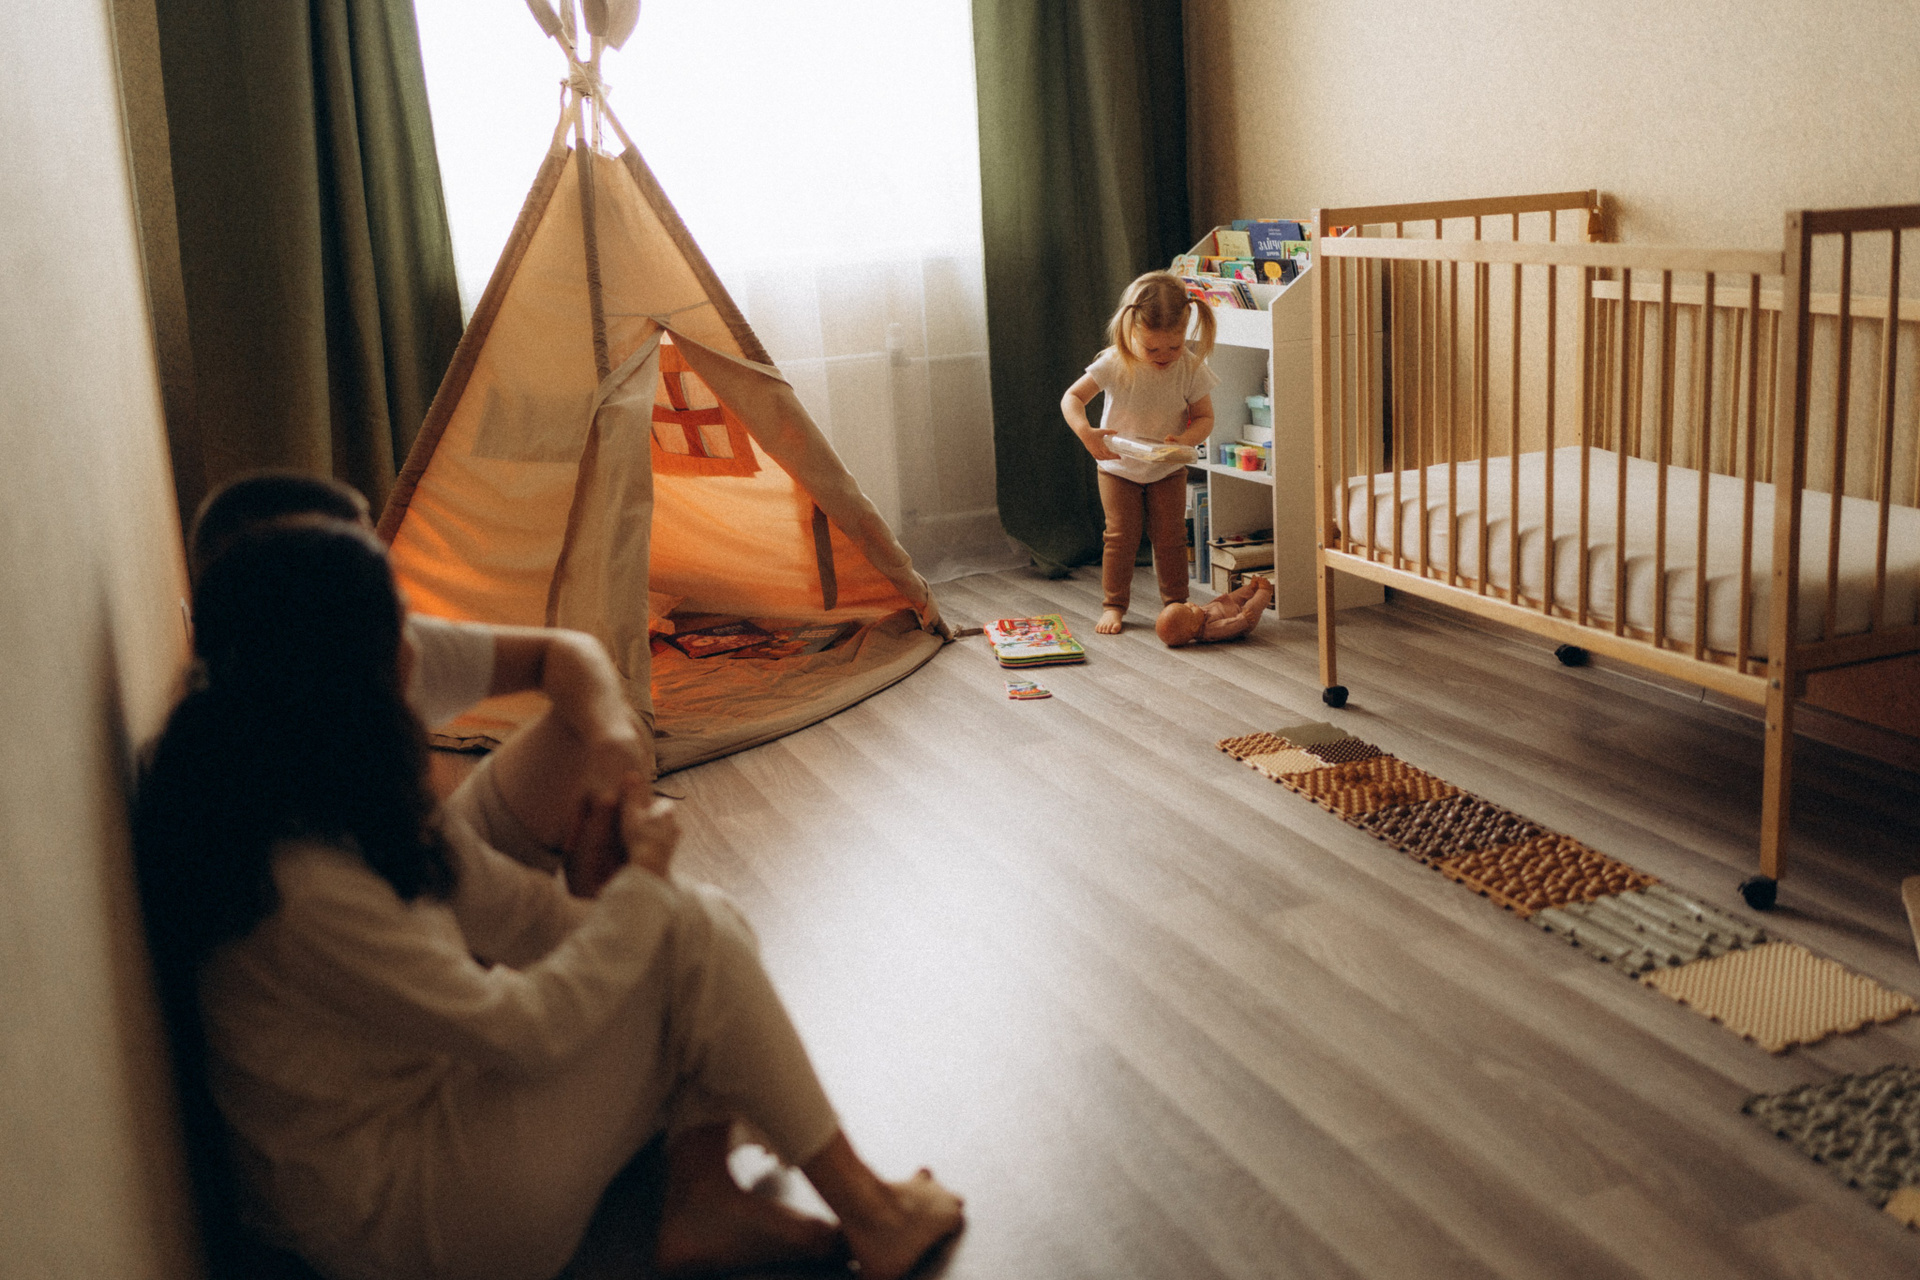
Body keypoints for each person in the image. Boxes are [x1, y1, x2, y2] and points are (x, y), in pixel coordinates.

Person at [134, 520, 963, 1280]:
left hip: (428, 1109)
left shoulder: (333, 787)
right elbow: (524, 1032)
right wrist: (639, 898)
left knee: (696, 930)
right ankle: (872, 1214)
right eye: (399, 631)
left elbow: (522, 914)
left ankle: (710, 1202)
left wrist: (626, 913)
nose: (419, 650)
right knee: (685, 931)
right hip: (400, 1223)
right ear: (344, 679)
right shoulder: (302, 886)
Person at [187, 472, 647, 876]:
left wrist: (612, 737)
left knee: (594, 718)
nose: (383, 597)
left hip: (419, 870)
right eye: (348, 565)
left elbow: (564, 651)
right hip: (386, 901)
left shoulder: (387, 638)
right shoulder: (254, 790)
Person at [1060, 270, 1219, 635]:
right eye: (1152, 349)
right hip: (1117, 466)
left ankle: (1176, 604)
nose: (1164, 356)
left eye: (1173, 347)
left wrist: (1186, 439)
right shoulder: (1116, 362)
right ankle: (1114, 605)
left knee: (1171, 537)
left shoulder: (1189, 366)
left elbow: (1205, 417)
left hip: (1167, 467)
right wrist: (1085, 432)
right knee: (1120, 537)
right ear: (1131, 330)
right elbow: (1072, 398)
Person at [1154, 574, 1273, 647]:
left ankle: (1251, 589)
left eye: (1185, 605)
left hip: (1229, 606)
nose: (1190, 604)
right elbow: (1227, 626)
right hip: (1243, 621)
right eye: (1190, 610)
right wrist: (1243, 619)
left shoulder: (1198, 617)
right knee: (1252, 606)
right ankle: (1265, 592)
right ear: (1194, 627)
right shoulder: (1209, 630)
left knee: (1234, 596)